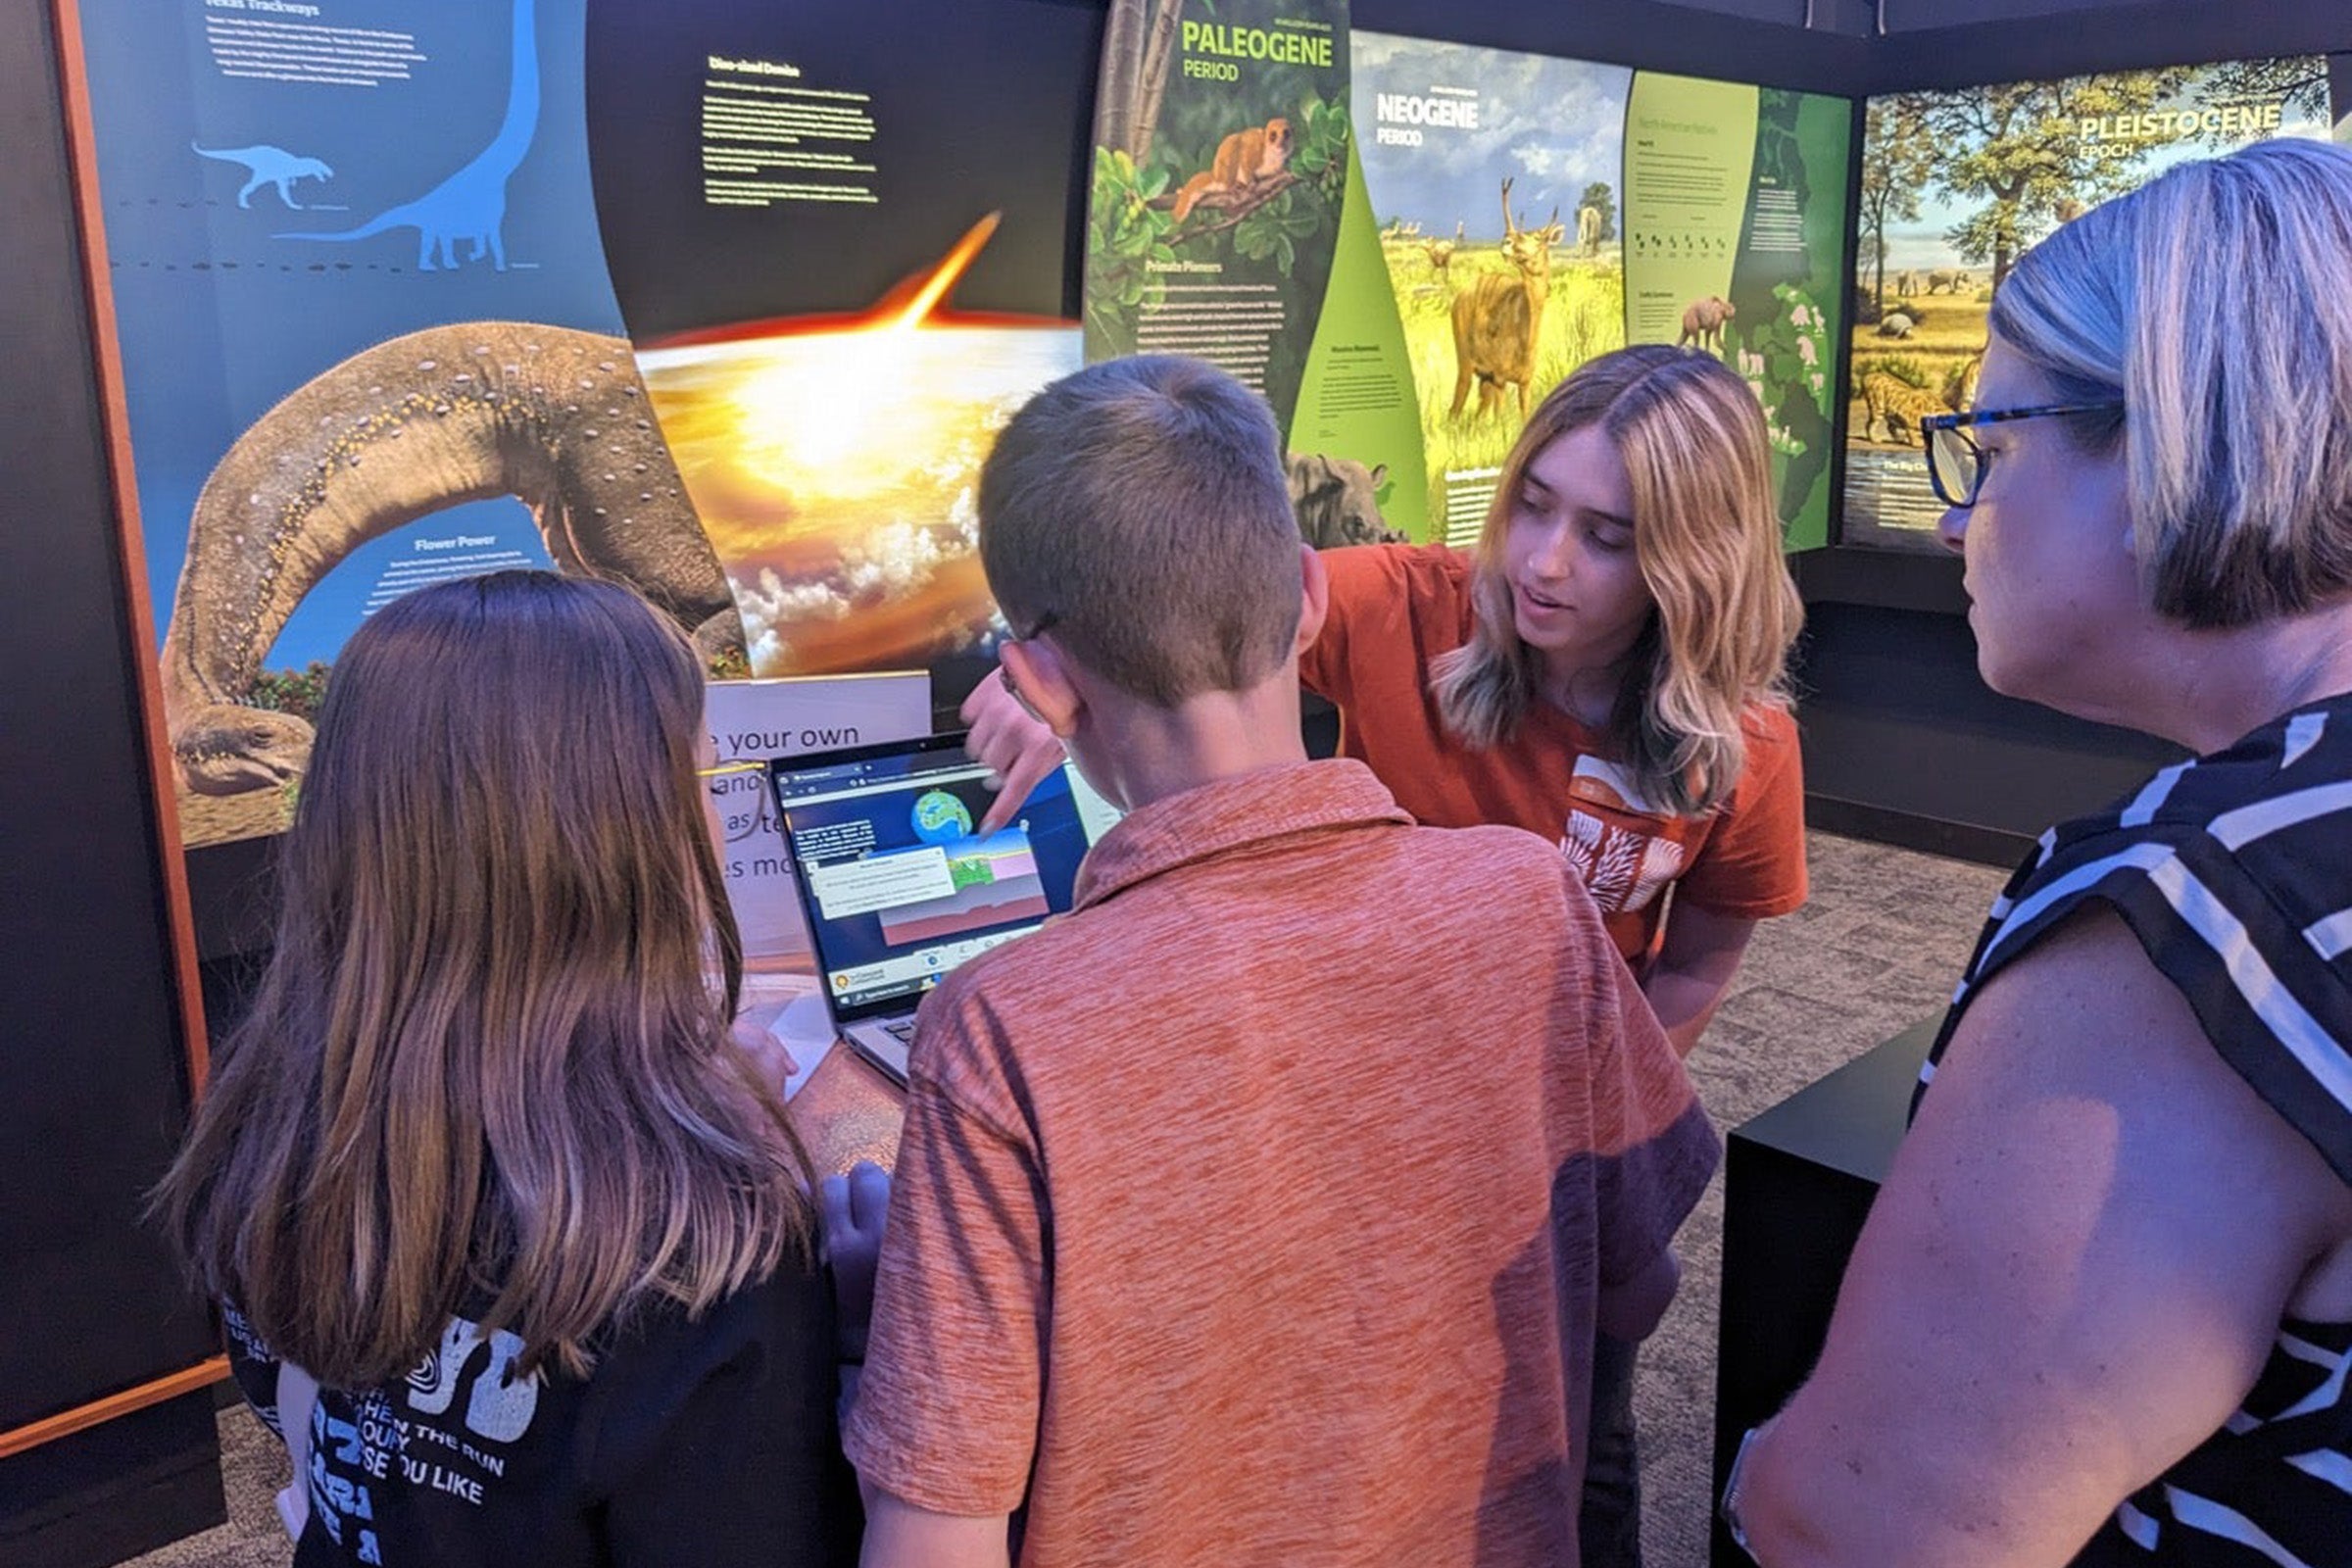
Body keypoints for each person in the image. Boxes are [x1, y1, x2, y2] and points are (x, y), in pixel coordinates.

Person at [846, 355, 1721, 1566]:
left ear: (1040, 678)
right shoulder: (1534, 902)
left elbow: (930, 1540)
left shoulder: (998, 1029)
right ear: (1309, 597)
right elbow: (1638, 1287)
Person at [1726, 138, 2352, 1566]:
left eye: (1989, 448)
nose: (1954, 514)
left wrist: (1772, 1475)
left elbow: (1869, 1526)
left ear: (2169, 440)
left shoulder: (2204, 925)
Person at [152, 571, 861, 1567]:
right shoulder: (708, 1237)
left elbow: (293, 1407)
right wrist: (863, 1327)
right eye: (700, 779)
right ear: (619, 837)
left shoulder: (267, 1117)